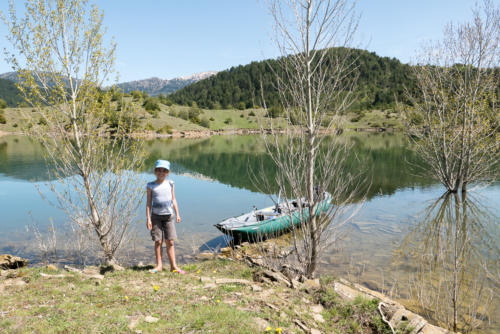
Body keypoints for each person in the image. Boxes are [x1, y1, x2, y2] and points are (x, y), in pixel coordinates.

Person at [146, 159, 185, 274]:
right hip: (156, 217)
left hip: (169, 216)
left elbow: (173, 199)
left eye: (164, 170)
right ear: (155, 171)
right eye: (159, 170)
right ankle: (159, 266)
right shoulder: (151, 185)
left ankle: (173, 266)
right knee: (158, 241)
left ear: (168, 172)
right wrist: (148, 218)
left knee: (170, 241)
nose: (161, 172)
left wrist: (177, 213)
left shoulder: (170, 183)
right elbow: (148, 203)